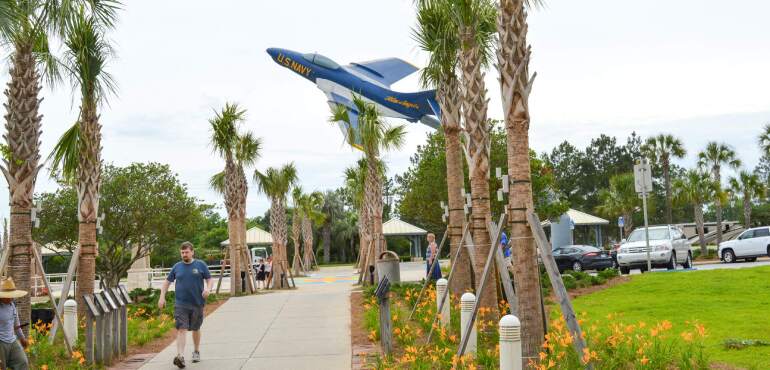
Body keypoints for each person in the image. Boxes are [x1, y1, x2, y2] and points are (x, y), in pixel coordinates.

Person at [159, 241, 213, 369]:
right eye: (182, 252)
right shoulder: (177, 267)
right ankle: (180, 356)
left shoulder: (200, 265)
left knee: (195, 328)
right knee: (181, 329)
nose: (184, 254)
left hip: (197, 303)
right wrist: (162, 297)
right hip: (181, 304)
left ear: (192, 252)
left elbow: (209, 279)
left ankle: (196, 351)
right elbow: (167, 282)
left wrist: (208, 289)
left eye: (186, 252)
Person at [0, 277, 28, 370]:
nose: (11, 297)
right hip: (1, 342)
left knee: (22, 362)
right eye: (8, 295)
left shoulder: (12, 305)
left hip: (12, 341)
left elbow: (16, 325)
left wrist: (22, 339)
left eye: (12, 295)